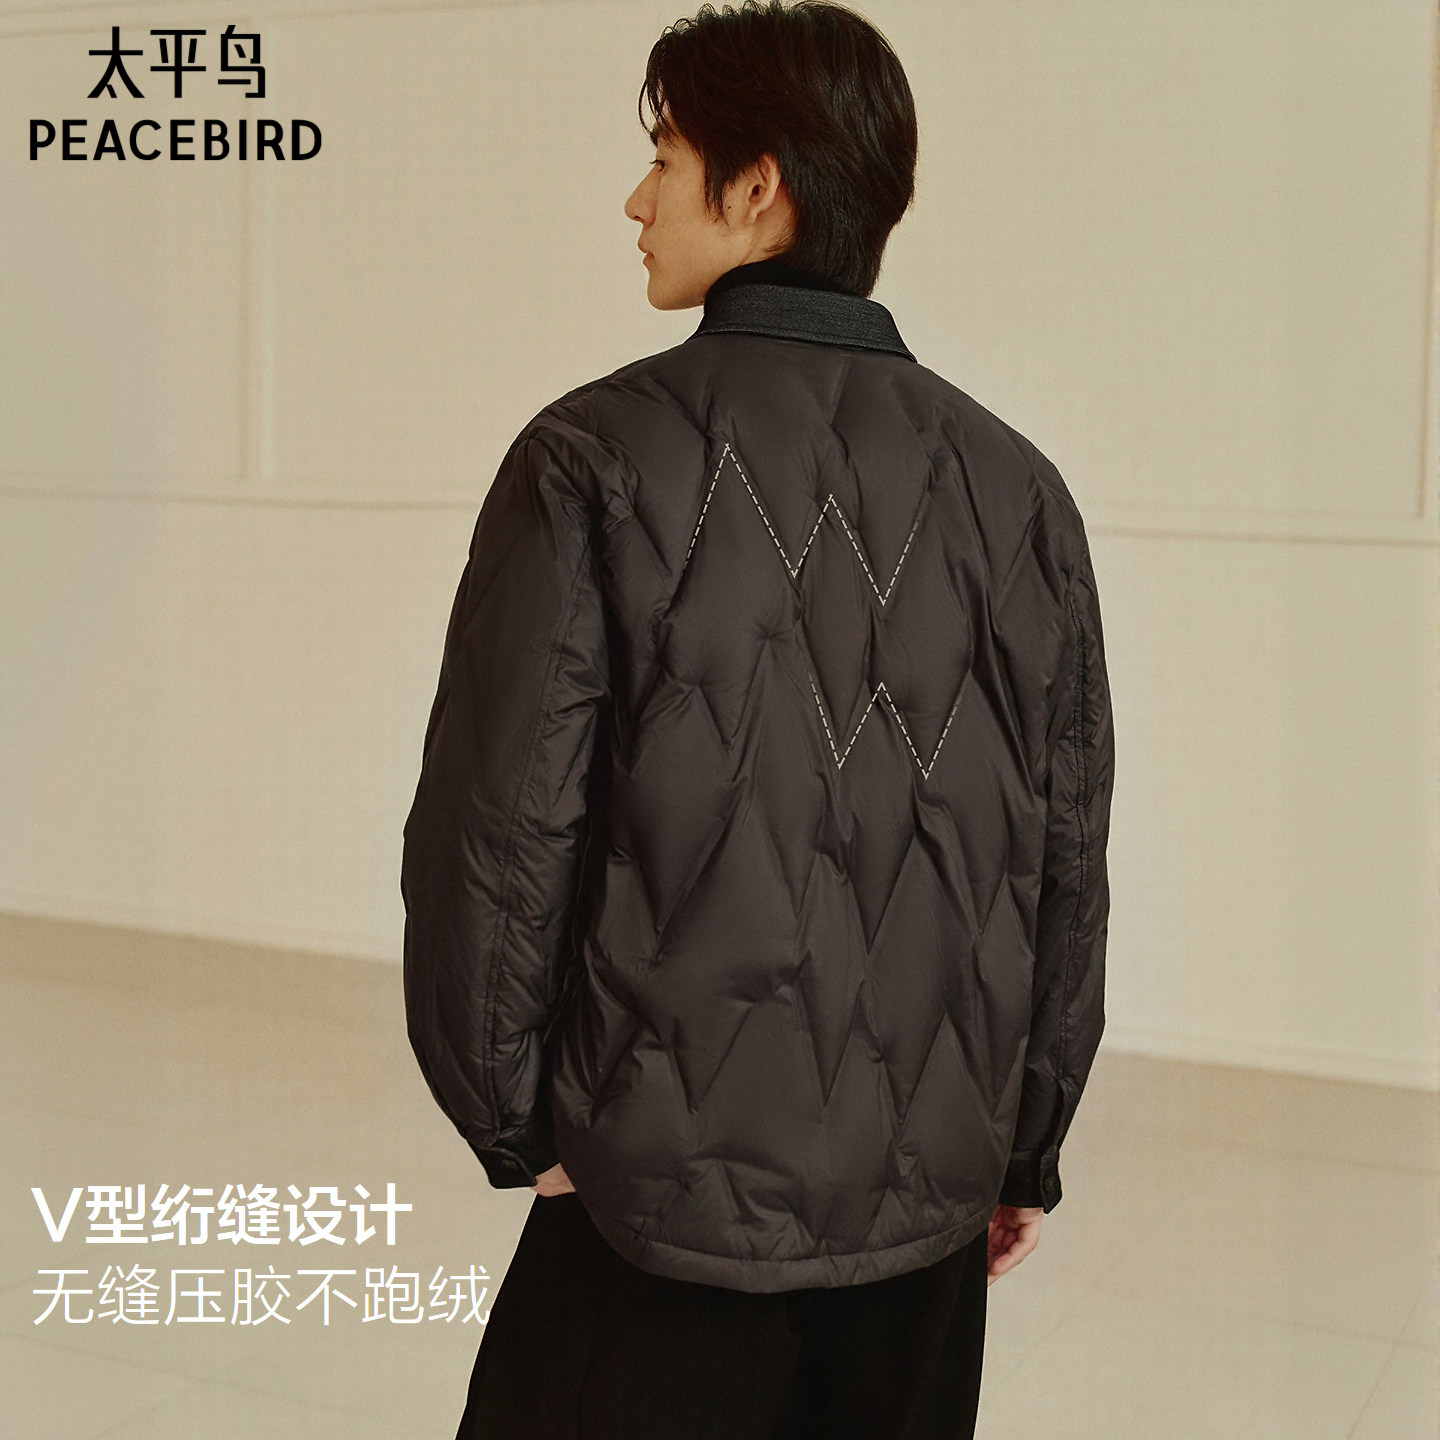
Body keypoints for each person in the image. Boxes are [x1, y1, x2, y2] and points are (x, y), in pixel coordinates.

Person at [400, 2, 1115, 1436]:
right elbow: (1063, 852)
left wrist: (514, 1122)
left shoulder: (592, 457)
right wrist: (1025, 1146)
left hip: (656, 1215)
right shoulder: (1018, 487)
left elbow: (502, 829)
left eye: (664, 159)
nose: (636, 199)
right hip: (924, 1220)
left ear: (758, 185)